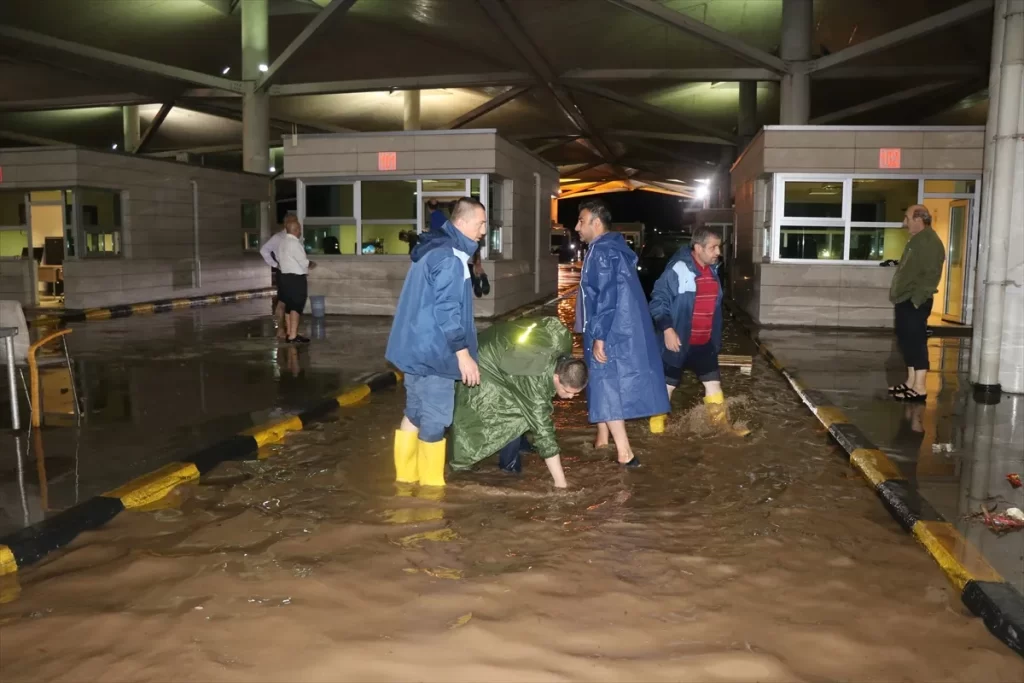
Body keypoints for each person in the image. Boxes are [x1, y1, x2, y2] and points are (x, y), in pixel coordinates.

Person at [385, 197, 488, 487]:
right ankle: (430, 492)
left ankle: (404, 482)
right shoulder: (449, 258)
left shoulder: (435, 250)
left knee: (415, 412)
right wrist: (463, 353)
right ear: (463, 222)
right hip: (435, 354)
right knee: (436, 419)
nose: (483, 230)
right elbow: (447, 311)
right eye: (480, 223)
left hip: (416, 350)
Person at [574, 199, 670, 467]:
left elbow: (606, 296)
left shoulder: (601, 252)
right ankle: (602, 438)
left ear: (596, 222)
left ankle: (625, 452)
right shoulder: (614, 249)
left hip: (609, 330)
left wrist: (600, 337)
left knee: (607, 386)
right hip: (620, 328)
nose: (577, 227)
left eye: (581, 221)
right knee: (603, 383)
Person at [450, 317, 587, 488]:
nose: (570, 398)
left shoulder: (563, 346)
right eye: (567, 391)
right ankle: (507, 469)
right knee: (510, 413)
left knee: (523, 405)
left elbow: (549, 323)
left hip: (507, 350)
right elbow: (543, 432)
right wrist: (561, 483)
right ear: (556, 377)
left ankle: (519, 447)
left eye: (576, 394)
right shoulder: (534, 378)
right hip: (486, 362)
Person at [648, 226, 749, 437]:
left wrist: (714, 342)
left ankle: (723, 429)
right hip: (678, 343)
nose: (718, 252)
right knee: (666, 389)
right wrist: (667, 329)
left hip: (704, 344)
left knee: (714, 387)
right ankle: (655, 434)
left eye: (718, 248)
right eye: (713, 248)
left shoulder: (712, 271)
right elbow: (658, 300)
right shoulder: (678, 270)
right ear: (697, 247)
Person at [888, 204, 945, 402]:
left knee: (916, 342)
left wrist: (916, 301)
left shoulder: (929, 241)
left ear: (919, 219)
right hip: (906, 298)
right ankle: (911, 382)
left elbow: (931, 275)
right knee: (906, 342)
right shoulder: (918, 240)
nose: (904, 223)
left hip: (914, 301)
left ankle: (920, 387)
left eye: (907, 218)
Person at [275, 214, 316, 343]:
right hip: (296, 279)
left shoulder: (282, 243)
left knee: (288, 306)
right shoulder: (294, 243)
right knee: (296, 306)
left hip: (285, 277)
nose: (300, 231)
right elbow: (303, 261)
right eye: (299, 229)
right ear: (295, 230)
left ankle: (289, 333)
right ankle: (293, 335)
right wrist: (311, 264)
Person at [259, 219, 289, 338]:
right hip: (283, 272)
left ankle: (289, 329)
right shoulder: (278, 237)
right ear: (286, 224)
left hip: (293, 273)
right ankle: (280, 329)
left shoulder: (294, 237)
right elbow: (264, 250)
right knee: (283, 301)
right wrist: (275, 264)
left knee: (290, 302)